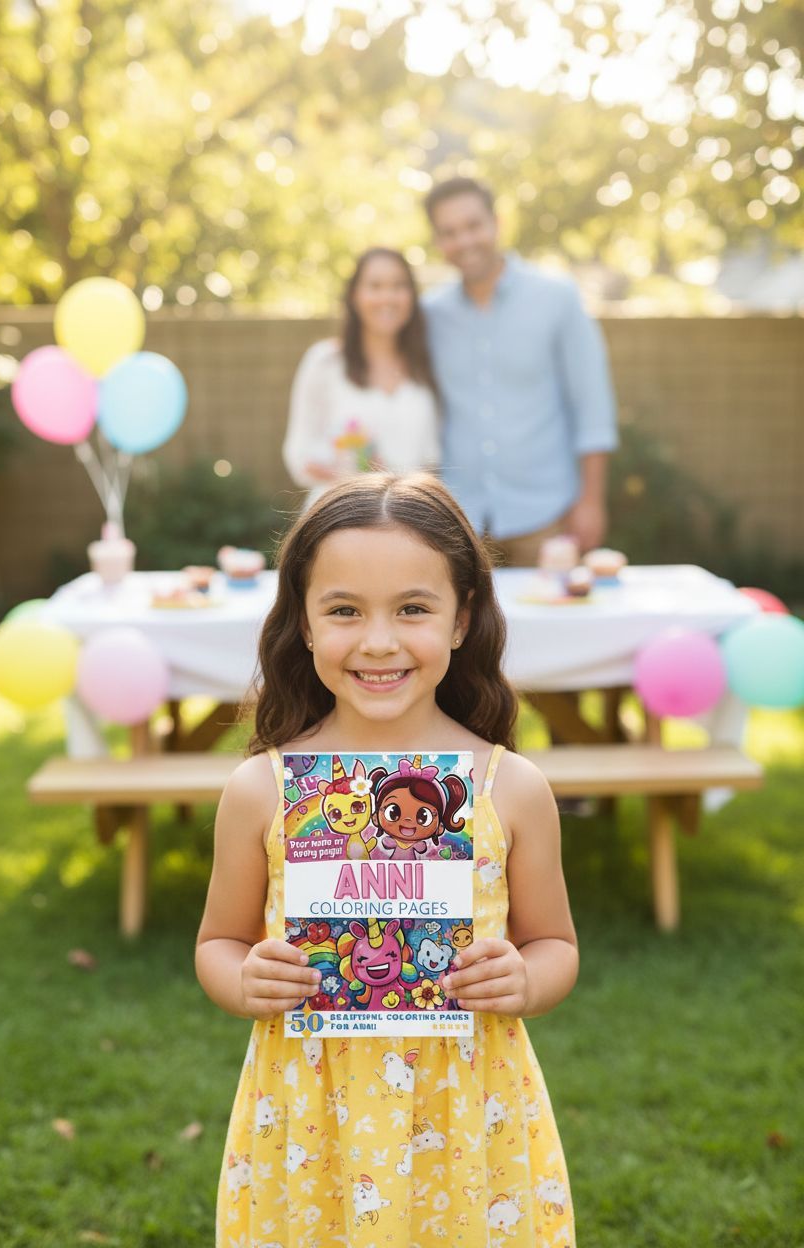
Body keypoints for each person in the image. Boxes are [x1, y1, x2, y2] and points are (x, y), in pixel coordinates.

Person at [196, 472, 579, 1247]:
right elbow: (216, 943)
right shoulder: (260, 791)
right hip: (308, 1119)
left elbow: (557, 946)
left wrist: (524, 978)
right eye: (343, 611)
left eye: (412, 608)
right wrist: (244, 978)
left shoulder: (513, 788)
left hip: (466, 1111)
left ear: (462, 618)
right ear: (302, 625)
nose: (378, 641)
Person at [423, 176, 618, 567]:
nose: (464, 241)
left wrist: (591, 501)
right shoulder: (429, 314)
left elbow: (592, 405)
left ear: (496, 223)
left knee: (554, 626)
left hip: (547, 516)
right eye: (449, 232)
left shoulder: (557, 298)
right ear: (438, 242)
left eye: (473, 225)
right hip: (460, 523)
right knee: (469, 630)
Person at [282, 248, 440, 506]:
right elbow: (299, 459)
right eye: (375, 286)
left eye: (399, 286)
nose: (387, 297)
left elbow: (432, 461)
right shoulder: (325, 362)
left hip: (412, 521)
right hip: (339, 515)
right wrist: (364, 479)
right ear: (354, 296)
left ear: (412, 296)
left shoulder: (425, 366)